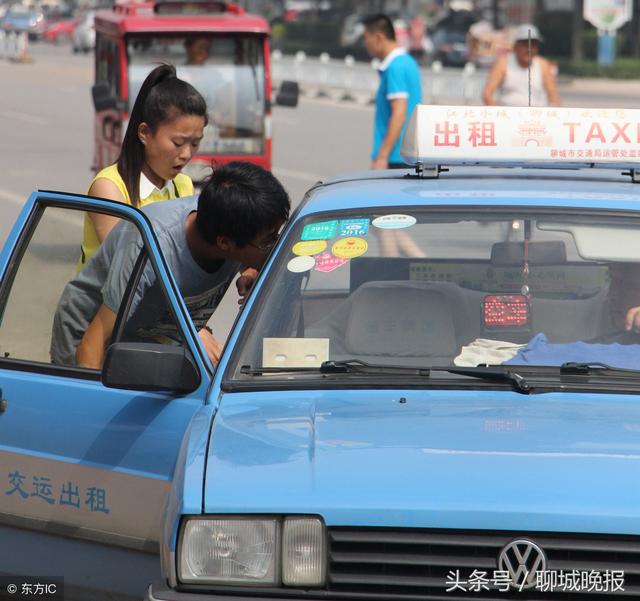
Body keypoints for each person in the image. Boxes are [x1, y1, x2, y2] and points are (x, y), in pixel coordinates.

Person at [51, 161, 290, 369]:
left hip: (155, 341)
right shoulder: (150, 248)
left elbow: (249, 252)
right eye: (268, 242)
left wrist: (249, 271)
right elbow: (93, 345)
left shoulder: (227, 219)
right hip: (92, 342)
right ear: (225, 243)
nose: (275, 248)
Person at [80, 64, 207, 267]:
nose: (187, 154)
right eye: (178, 143)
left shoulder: (183, 186)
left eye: (195, 143)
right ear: (144, 133)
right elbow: (127, 265)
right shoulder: (109, 187)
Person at [363, 13, 422, 170]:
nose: (365, 43)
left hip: (396, 158)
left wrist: (382, 156)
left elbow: (399, 113)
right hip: (405, 154)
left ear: (379, 38)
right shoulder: (406, 62)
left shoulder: (396, 67)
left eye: (366, 37)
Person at [482, 24, 560, 107]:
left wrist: (553, 112)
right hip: (508, 115)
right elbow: (487, 94)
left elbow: (554, 96)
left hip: (534, 116)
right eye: (525, 45)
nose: (529, 49)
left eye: (533, 45)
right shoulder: (503, 64)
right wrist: (497, 113)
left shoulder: (542, 65)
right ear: (515, 46)